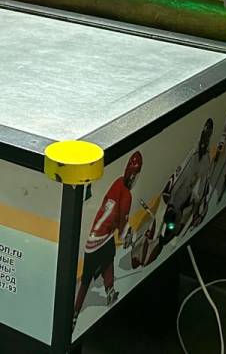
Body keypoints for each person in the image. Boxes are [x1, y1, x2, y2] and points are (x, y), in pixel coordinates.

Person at [130, 119, 217, 269]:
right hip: (170, 201)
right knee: (156, 229)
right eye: (204, 135)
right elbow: (176, 176)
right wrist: (167, 201)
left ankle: (152, 250)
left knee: (172, 231)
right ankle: (141, 253)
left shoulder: (205, 160)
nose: (204, 141)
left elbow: (202, 184)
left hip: (183, 205)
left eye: (207, 136)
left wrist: (196, 205)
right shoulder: (192, 155)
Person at [73, 151, 142, 323]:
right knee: (93, 272)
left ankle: (106, 292)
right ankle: (75, 312)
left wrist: (123, 231)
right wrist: (127, 235)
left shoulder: (118, 182)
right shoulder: (127, 195)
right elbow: (121, 220)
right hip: (102, 238)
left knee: (107, 258)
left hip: (95, 235)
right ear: (134, 176)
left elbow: (112, 213)